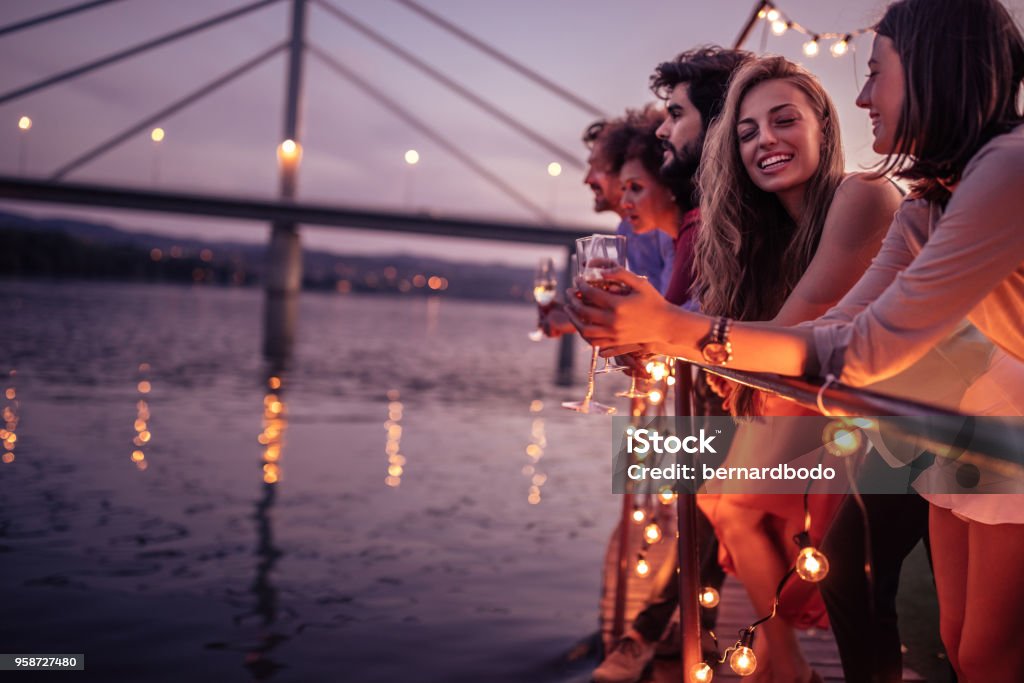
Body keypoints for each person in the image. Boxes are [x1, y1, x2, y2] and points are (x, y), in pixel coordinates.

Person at [569, 0, 1024, 679]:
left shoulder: (999, 171)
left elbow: (857, 348)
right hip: (952, 424)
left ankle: (744, 651)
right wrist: (670, 338)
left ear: (934, 69)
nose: (865, 94)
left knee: (718, 489)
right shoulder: (931, 198)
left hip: (964, 417)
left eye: (876, 74)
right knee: (962, 645)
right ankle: (702, 633)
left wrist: (674, 334)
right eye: (747, 129)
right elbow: (834, 333)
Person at [540, 113, 676, 338]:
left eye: (596, 166)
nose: (586, 179)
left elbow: (668, 312)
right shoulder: (626, 231)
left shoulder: (670, 229)